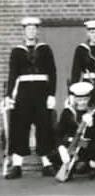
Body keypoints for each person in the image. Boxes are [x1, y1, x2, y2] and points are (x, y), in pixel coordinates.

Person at [4, 17, 57, 179]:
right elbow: (13, 74)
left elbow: (52, 72)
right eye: (28, 29)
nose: (31, 32)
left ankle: (47, 163)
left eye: (34, 29)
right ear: (24, 31)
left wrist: (51, 94)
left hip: (41, 91)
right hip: (24, 93)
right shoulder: (17, 51)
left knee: (44, 126)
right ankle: (17, 165)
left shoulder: (45, 50)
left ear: (37, 31)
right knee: (20, 126)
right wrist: (8, 96)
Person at [52, 82, 95, 180]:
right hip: (71, 145)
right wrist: (61, 147)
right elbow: (59, 133)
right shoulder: (68, 112)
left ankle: (92, 167)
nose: (82, 102)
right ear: (74, 99)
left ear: (89, 99)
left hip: (87, 145)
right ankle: (69, 167)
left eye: (85, 99)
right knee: (54, 155)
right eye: (79, 99)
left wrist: (91, 125)